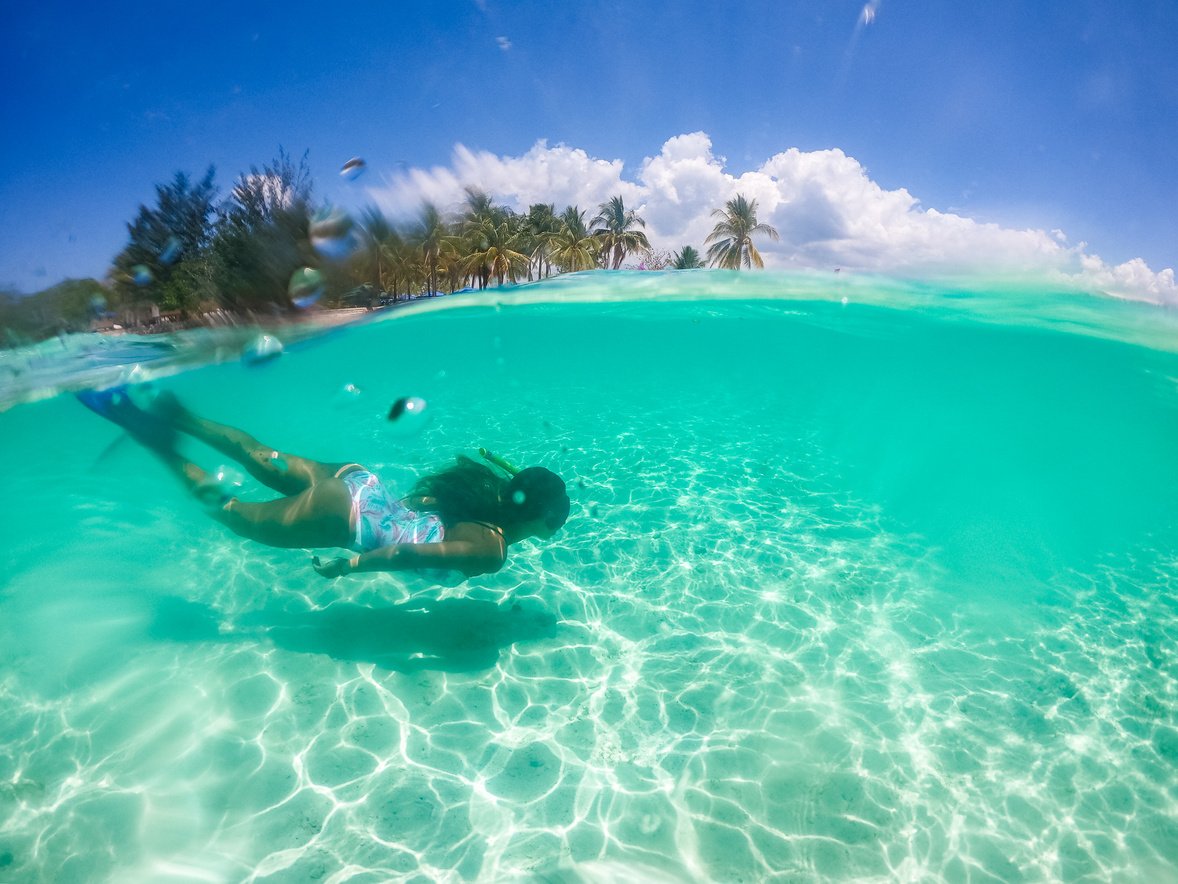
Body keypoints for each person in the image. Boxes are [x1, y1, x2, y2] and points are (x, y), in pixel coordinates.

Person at [78, 387, 571, 580]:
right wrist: (348, 566)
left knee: (257, 453)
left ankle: (180, 416)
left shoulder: (482, 495)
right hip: (345, 518)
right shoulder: (491, 547)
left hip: (357, 483)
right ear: (543, 522)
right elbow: (406, 554)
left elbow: (417, 508)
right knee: (236, 515)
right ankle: (154, 441)